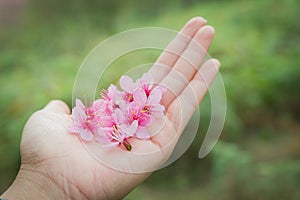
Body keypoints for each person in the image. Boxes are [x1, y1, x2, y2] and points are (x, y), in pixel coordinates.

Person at [0, 17, 219, 200]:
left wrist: (46, 184)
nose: (138, 112)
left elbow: (132, 119)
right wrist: (47, 180)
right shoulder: (106, 124)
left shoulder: (133, 115)